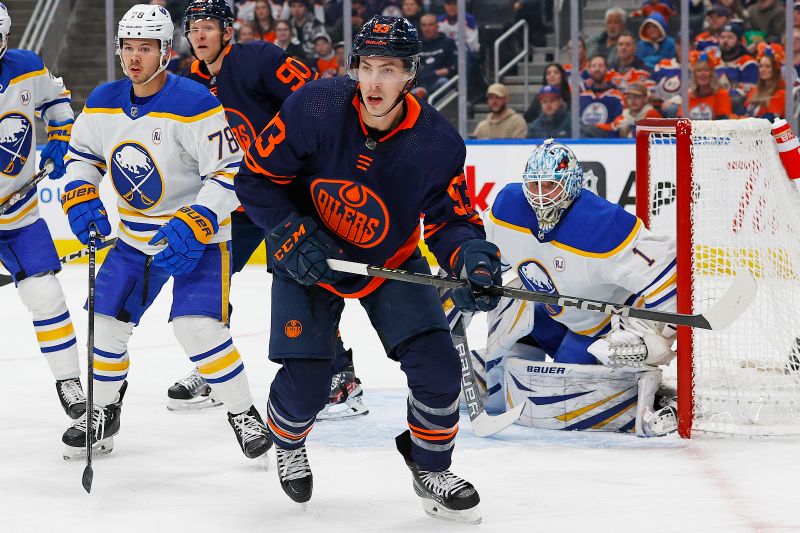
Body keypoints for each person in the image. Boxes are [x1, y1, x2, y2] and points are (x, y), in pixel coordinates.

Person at [235, 15, 500, 522]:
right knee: (309, 385)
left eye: (389, 70)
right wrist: (291, 234)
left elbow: (452, 220)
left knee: (439, 370)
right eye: (366, 67)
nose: (374, 82)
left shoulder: (436, 142)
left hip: (390, 261)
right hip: (309, 255)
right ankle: (287, 440)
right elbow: (256, 179)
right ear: (354, 68)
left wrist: (473, 260)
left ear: (410, 75)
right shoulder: (314, 105)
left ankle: (430, 467)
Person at [59, 4, 271, 461]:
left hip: (198, 240)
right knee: (106, 324)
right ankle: (104, 412)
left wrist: (198, 219)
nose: (135, 58)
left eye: (145, 48)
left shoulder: (194, 103)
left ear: (165, 52)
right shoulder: (103, 100)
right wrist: (80, 194)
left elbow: (233, 170)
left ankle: (242, 412)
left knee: (197, 328)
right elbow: (83, 156)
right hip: (134, 240)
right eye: (128, 48)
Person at [175, 0, 366, 420]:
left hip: (288, 196)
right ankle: (213, 364)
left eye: (209, 26)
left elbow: (317, 96)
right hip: (233, 198)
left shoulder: (259, 58)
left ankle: (342, 378)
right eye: (194, 28)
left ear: (228, 31)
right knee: (210, 274)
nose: (201, 34)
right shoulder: (186, 85)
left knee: (306, 280)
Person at [476, 139, 679, 437]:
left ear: (571, 185)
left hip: (598, 328)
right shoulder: (508, 207)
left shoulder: (602, 225)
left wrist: (652, 333)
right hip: (554, 312)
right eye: (534, 186)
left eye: (551, 187)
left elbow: (666, 272)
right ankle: (497, 375)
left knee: (559, 397)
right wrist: (467, 274)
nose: (541, 197)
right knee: (511, 301)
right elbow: (481, 252)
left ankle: (658, 397)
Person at [0, 2, 84, 421]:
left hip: (19, 214)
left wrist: (61, 135)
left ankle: (69, 380)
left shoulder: (27, 68)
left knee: (46, 295)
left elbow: (57, 99)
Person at [716, 21, 757, 116]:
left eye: (730, 37)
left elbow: (745, 92)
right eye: (723, 37)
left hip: (737, 111)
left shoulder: (748, 63)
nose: (725, 41)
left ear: (739, 41)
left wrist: (719, 97)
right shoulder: (714, 62)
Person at [580, 54, 624, 138]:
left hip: (607, 140)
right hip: (584, 140)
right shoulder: (582, 96)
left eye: (600, 66)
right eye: (594, 66)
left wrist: (597, 127)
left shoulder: (616, 97)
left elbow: (618, 123)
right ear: (589, 70)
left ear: (606, 69)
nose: (597, 69)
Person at [685, 50, 732, 120]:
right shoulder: (688, 96)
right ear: (694, 75)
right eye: (699, 71)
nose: (702, 74)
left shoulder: (722, 94)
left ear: (712, 74)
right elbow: (681, 122)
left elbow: (723, 124)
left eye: (706, 70)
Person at [745, 43, 786, 119]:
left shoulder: (780, 93)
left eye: (767, 66)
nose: (763, 70)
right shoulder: (754, 90)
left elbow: (772, 120)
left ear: (775, 69)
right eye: (761, 66)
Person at [418, 13, 456, 94]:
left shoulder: (448, 43)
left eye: (430, 25)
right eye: (424, 25)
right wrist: (436, 73)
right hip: (420, 85)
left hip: (438, 83)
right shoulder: (416, 45)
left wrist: (444, 72)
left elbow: (453, 68)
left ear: (437, 26)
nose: (427, 28)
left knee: (443, 82)